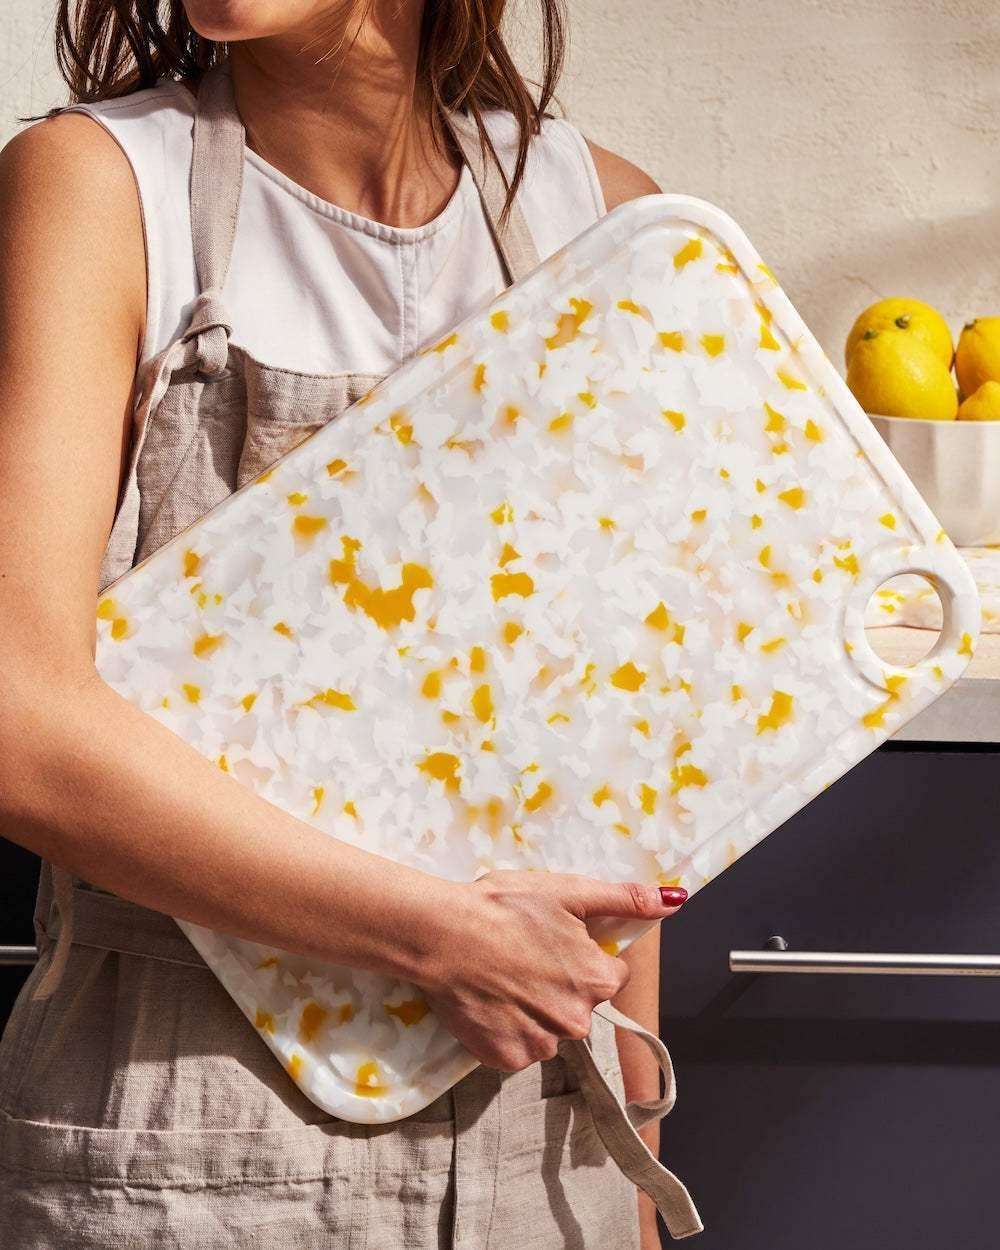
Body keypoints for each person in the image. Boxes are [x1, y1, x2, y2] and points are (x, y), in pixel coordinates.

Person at [0, 2, 700, 1246]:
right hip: (186, 1139)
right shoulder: (102, 189)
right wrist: (441, 937)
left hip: (544, 1146)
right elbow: (18, 717)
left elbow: (622, 767)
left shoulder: (599, 219)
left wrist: (633, 1150)